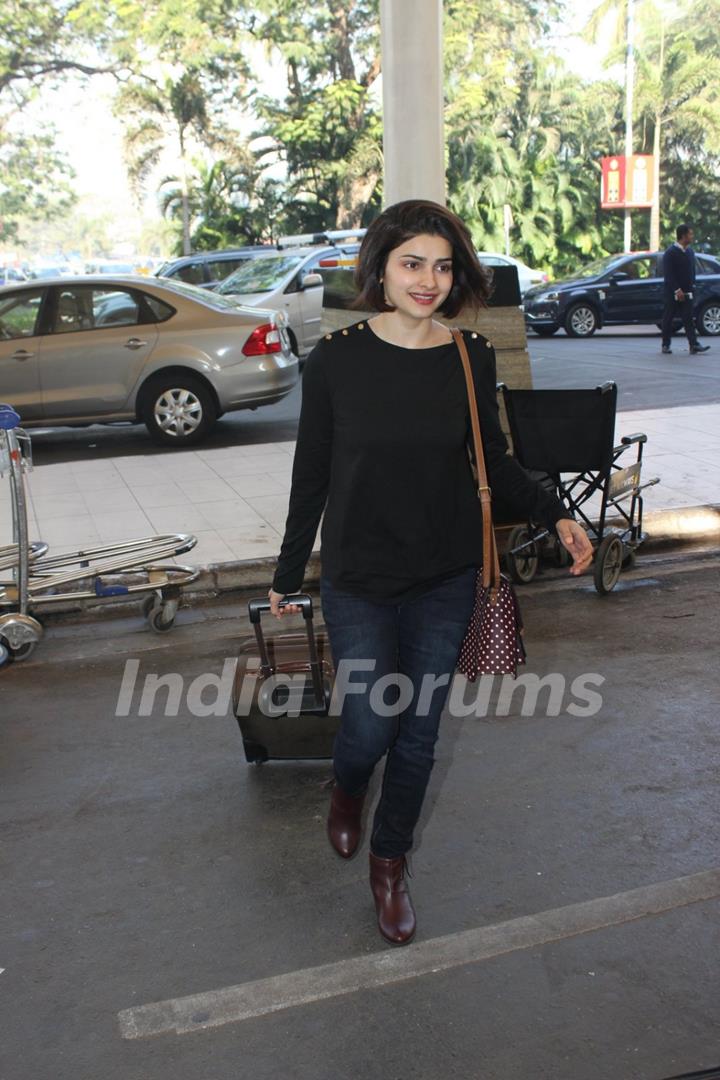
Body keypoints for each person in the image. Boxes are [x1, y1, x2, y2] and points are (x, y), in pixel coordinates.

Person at [267, 200, 593, 946]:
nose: (429, 280)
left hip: (446, 573)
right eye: (413, 262)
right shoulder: (337, 360)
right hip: (360, 577)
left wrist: (556, 514)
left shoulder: (468, 355)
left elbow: (494, 462)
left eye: (443, 266)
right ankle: (346, 787)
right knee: (369, 723)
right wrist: (288, 575)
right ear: (380, 265)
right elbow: (310, 475)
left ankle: (390, 864)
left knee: (418, 736)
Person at [661, 224, 710, 355]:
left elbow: (691, 271)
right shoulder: (670, 253)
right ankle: (665, 345)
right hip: (673, 293)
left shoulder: (689, 251)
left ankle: (694, 345)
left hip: (688, 292)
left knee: (688, 318)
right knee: (668, 318)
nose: (692, 236)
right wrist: (677, 290)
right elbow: (669, 274)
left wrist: (692, 286)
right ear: (683, 236)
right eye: (690, 234)